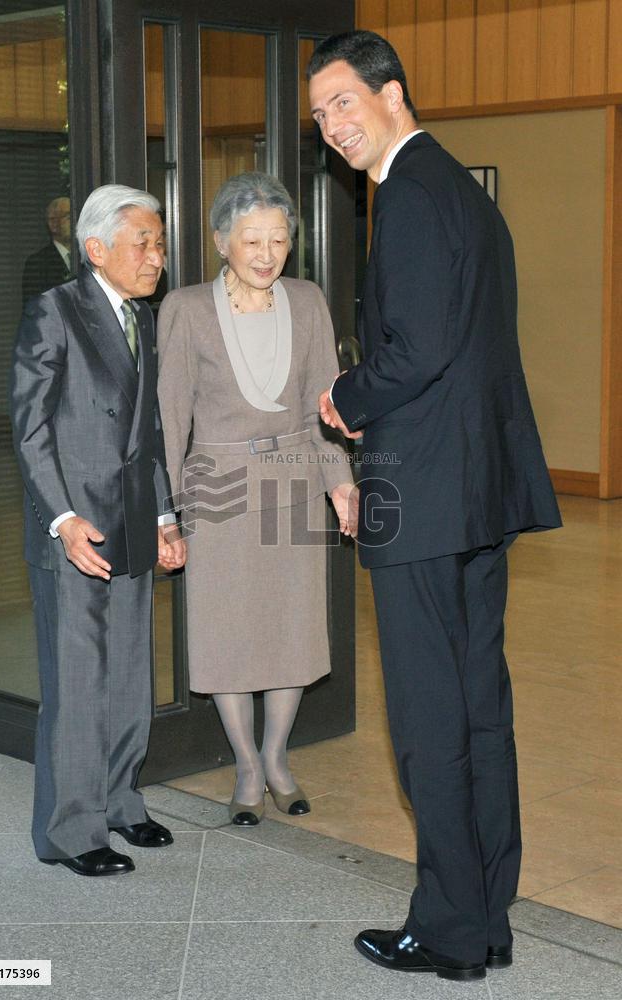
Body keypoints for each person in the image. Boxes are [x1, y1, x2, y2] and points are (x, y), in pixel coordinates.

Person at [308, 31, 561, 982]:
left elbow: (414, 352)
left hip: (420, 497)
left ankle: (449, 931)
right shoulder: (461, 192)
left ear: (392, 94)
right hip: (476, 495)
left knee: (428, 721)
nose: (333, 126)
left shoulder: (408, 196)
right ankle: (486, 914)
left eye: (343, 102)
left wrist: (345, 398)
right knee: (478, 712)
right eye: (322, 114)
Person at [156, 172, 355, 826]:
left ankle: (276, 759)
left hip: (295, 483)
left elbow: (324, 406)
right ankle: (244, 764)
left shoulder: (308, 301)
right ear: (221, 241)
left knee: (291, 630)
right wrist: (171, 510)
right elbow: (170, 417)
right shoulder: (185, 309)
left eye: (279, 239)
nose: (268, 253)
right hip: (217, 487)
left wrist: (341, 481)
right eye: (252, 240)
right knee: (229, 634)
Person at [11, 184, 186, 877]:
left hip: (135, 524)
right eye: (143, 242)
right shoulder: (52, 314)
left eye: (159, 242)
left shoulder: (141, 317)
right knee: (78, 681)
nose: (156, 256)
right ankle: (70, 829)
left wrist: (168, 516)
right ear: (96, 249)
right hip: (76, 532)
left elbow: (150, 433)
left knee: (128, 677)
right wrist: (61, 519)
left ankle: (121, 802)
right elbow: (28, 430)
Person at [22, 196, 72, 303]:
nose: (75, 222)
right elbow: (35, 310)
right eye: (68, 217)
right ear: (53, 225)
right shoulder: (38, 263)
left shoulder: (87, 258)